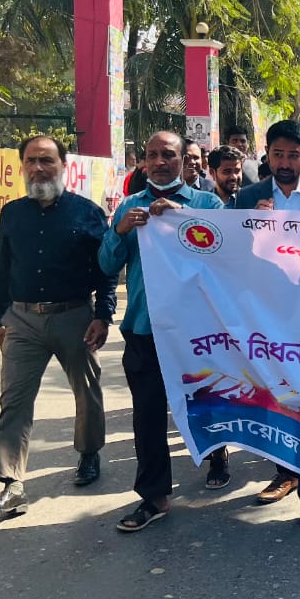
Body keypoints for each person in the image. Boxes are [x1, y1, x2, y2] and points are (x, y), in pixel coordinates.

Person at [0, 136, 118, 518]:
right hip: (21, 320)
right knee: (14, 400)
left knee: (86, 392)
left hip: (75, 317)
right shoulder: (12, 214)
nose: (39, 168)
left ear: (63, 165)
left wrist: (103, 315)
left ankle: (89, 453)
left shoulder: (87, 213)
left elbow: (105, 271)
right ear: (22, 166)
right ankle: (11, 484)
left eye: (47, 161)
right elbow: (2, 266)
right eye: (32, 161)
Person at [99, 131, 225, 532]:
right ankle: (153, 496)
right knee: (148, 415)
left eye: (168, 154)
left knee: (210, 402)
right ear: (144, 161)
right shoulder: (129, 207)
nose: (159, 162)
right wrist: (120, 232)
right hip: (144, 327)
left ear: (184, 160)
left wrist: (183, 220)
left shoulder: (207, 205)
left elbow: (226, 260)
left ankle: (218, 456)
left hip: (197, 332)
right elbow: (106, 265)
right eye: (151, 155)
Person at [232, 121, 300, 527]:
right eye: (277, 154)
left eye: (293, 155)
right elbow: (230, 255)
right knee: (276, 397)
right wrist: (249, 227)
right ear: (267, 155)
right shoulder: (248, 197)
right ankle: (285, 472)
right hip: (265, 317)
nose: (285, 162)